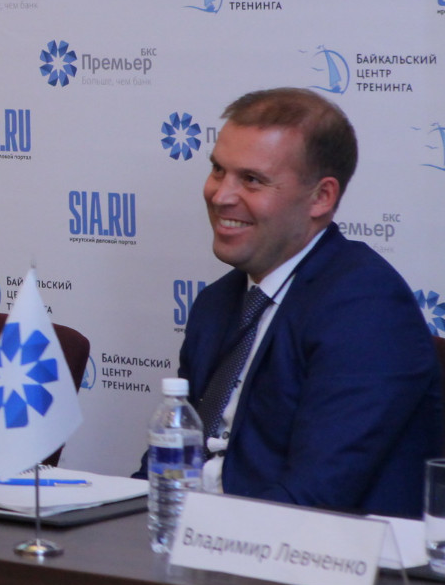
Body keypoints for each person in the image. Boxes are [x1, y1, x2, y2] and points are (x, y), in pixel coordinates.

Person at [160, 87, 440, 516]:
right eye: (218, 170)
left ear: (321, 197)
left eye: (251, 180)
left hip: (298, 548)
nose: (220, 195)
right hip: (195, 535)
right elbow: (165, 464)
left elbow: (314, 498)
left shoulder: (367, 310)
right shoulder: (217, 303)